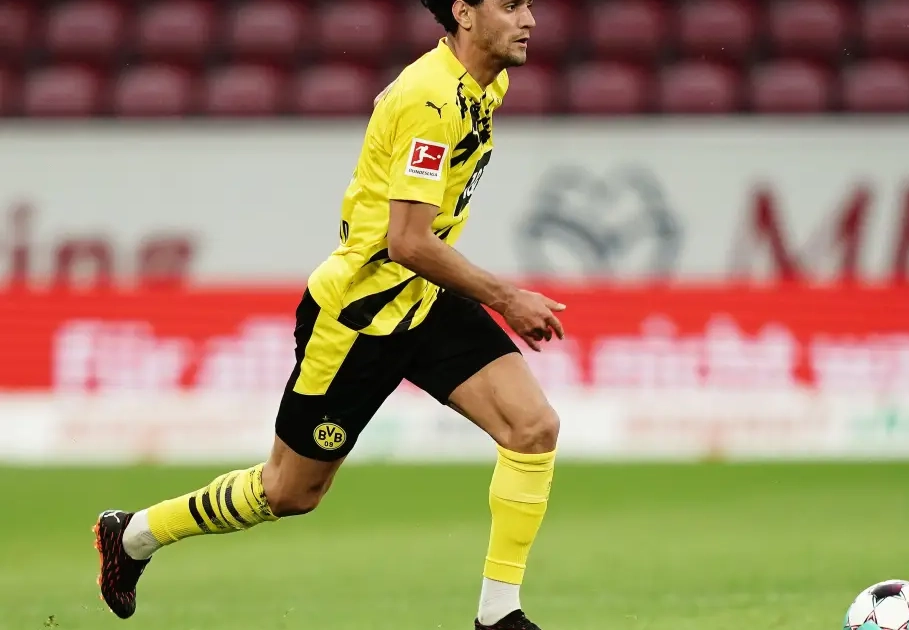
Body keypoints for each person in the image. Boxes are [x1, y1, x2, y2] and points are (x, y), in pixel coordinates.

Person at [93, 1, 564, 628]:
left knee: (533, 428)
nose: (529, 19)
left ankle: (498, 615)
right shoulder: (431, 101)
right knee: (289, 492)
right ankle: (133, 535)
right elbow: (408, 242)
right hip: (359, 315)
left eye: (528, 4)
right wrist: (506, 297)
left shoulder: (483, 84)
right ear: (465, 14)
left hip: (423, 299)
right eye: (510, 5)